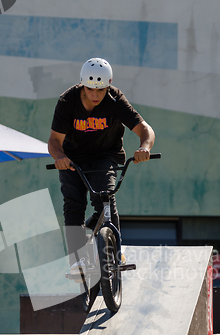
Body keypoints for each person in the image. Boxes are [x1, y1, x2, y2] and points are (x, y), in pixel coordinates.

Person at [48, 57, 155, 274]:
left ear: (108, 85)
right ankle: (77, 259)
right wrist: (59, 156)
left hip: (104, 156)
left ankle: (115, 252)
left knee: (105, 197)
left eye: (101, 90)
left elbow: (145, 128)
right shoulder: (67, 101)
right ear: (82, 85)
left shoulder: (115, 99)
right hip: (72, 159)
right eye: (90, 90)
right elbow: (54, 141)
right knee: (73, 204)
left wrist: (145, 147)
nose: (95, 95)